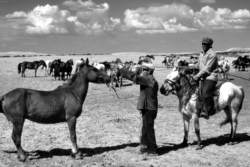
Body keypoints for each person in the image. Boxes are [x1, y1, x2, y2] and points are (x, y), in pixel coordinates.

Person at [118, 62, 159, 156]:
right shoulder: (149, 79)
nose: (142, 71)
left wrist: (122, 69)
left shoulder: (148, 79)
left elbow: (134, 77)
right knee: (145, 128)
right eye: (142, 69)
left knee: (149, 129)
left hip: (149, 108)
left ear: (149, 71)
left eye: (144, 70)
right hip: (148, 107)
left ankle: (153, 150)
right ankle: (144, 147)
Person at [193, 37, 218, 119]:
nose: (203, 45)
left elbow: (207, 69)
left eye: (205, 44)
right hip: (202, 76)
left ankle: (205, 110)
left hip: (210, 77)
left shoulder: (212, 54)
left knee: (204, 93)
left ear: (210, 45)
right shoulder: (201, 53)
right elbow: (199, 64)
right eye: (202, 44)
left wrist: (197, 76)